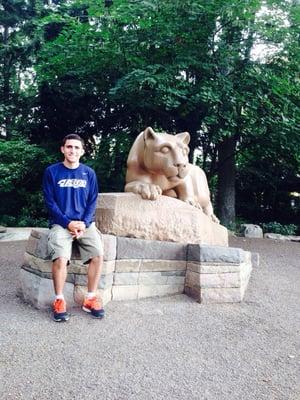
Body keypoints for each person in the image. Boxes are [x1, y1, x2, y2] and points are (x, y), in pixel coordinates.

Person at [43, 134, 104, 322]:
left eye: (77, 148)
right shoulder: (52, 172)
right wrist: (67, 223)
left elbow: (93, 201)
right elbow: (50, 202)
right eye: (69, 147)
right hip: (61, 224)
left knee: (98, 255)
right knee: (61, 258)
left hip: (85, 224)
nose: (73, 151)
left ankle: (90, 299)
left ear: (82, 151)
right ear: (63, 149)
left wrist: (84, 223)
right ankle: (59, 300)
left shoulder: (89, 173)